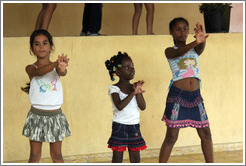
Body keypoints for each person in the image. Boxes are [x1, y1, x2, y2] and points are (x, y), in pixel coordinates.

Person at [159, 17, 214, 163]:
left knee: (206, 134)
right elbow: (180, 52)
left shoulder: (195, 49)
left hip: (195, 97)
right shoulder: (169, 51)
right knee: (171, 137)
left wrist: (202, 39)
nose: (182, 32)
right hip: (177, 96)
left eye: (185, 28)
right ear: (171, 32)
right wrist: (196, 41)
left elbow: (200, 47)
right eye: (178, 29)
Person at [21, 29, 71, 163]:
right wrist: (54, 63)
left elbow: (62, 72)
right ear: (32, 49)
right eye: (37, 44)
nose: (41, 46)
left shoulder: (56, 68)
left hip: (55, 116)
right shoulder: (30, 68)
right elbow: (39, 72)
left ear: (51, 47)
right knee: (34, 155)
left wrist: (61, 66)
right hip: (36, 116)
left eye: (45, 43)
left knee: (57, 156)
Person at [105, 52, 147, 163]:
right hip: (119, 126)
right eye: (127, 67)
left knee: (135, 158)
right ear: (118, 72)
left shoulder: (134, 87)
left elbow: (143, 107)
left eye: (132, 66)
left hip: (134, 126)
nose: (132, 69)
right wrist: (133, 93)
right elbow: (119, 106)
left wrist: (137, 92)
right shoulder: (114, 88)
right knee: (117, 158)